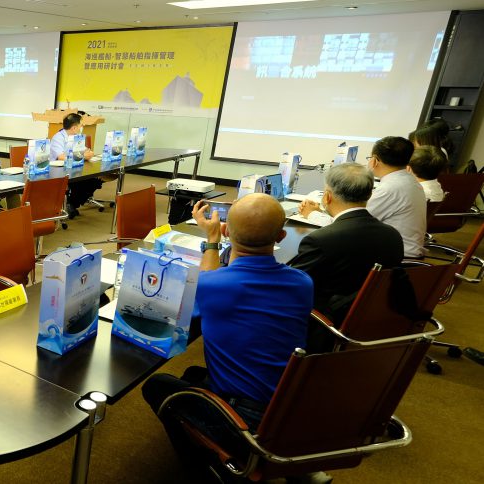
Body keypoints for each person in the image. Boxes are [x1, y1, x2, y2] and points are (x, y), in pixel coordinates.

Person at [141, 194, 312, 463]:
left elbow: (208, 282)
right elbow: (223, 282)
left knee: (157, 385)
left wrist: (212, 240)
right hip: (289, 409)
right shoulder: (302, 282)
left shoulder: (212, 286)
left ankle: (210, 465)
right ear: (281, 236)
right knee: (193, 375)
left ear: (227, 232)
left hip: (246, 423)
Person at [287, 164, 404, 349]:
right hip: (369, 320)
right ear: (369, 194)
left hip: (323, 324)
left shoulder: (320, 240)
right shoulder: (393, 235)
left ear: (327, 196)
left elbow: (290, 286)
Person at [299, 136, 426, 259]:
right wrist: (322, 211)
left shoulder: (390, 188)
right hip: (396, 249)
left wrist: (312, 214)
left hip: (393, 256)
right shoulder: (408, 181)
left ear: (374, 161)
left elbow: (350, 226)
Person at [50, 113, 101, 218]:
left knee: (94, 181)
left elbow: (86, 151)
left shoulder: (76, 137)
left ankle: (72, 203)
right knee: (83, 181)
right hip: (58, 170)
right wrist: (82, 156)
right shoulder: (58, 138)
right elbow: (61, 157)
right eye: (81, 125)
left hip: (73, 168)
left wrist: (89, 153)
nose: (82, 127)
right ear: (74, 128)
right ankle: (71, 203)